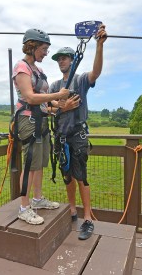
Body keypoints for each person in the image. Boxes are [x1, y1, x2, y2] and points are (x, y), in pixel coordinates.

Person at [49, 24, 107, 240]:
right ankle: (72, 209)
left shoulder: (81, 80)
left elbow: (96, 72)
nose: (61, 61)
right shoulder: (55, 85)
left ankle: (88, 218)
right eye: (58, 58)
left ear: (73, 59)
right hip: (61, 136)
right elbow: (47, 107)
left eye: (64, 57)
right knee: (67, 175)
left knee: (81, 176)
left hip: (78, 135)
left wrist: (99, 47)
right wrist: (61, 106)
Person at [12, 28, 70, 225]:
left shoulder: (39, 70)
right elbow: (29, 97)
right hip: (28, 120)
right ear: (33, 46)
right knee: (30, 164)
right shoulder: (22, 67)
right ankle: (24, 207)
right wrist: (57, 96)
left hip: (42, 120)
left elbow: (43, 102)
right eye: (44, 49)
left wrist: (57, 106)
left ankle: (37, 199)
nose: (46, 53)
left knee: (39, 163)